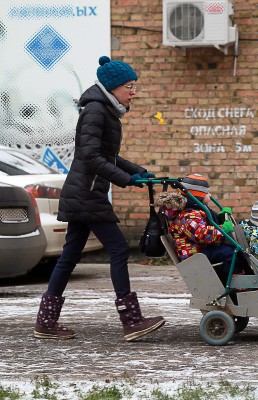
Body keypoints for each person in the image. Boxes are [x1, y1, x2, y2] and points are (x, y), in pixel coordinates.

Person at [33, 56, 164, 341]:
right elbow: (91, 157)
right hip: (87, 194)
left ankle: (46, 321)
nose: (134, 92)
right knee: (118, 248)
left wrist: (138, 172)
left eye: (135, 86)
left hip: (84, 192)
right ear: (113, 87)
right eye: (129, 86)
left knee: (69, 256)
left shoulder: (105, 111)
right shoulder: (96, 111)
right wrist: (125, 179)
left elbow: (108, 156)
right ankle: (131, 321)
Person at [155, 174, 253, 285]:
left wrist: (220, 218)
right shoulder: (188, 216)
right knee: (229, 252)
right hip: (194, 256)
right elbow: (202, 235)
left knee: (236, 251)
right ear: (198, 196)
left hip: (201, 250)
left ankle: (250, 278)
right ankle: (230, 281)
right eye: (207, 193)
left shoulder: (195, 211)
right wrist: (223, 230)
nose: (210, 195)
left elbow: (205, 225)